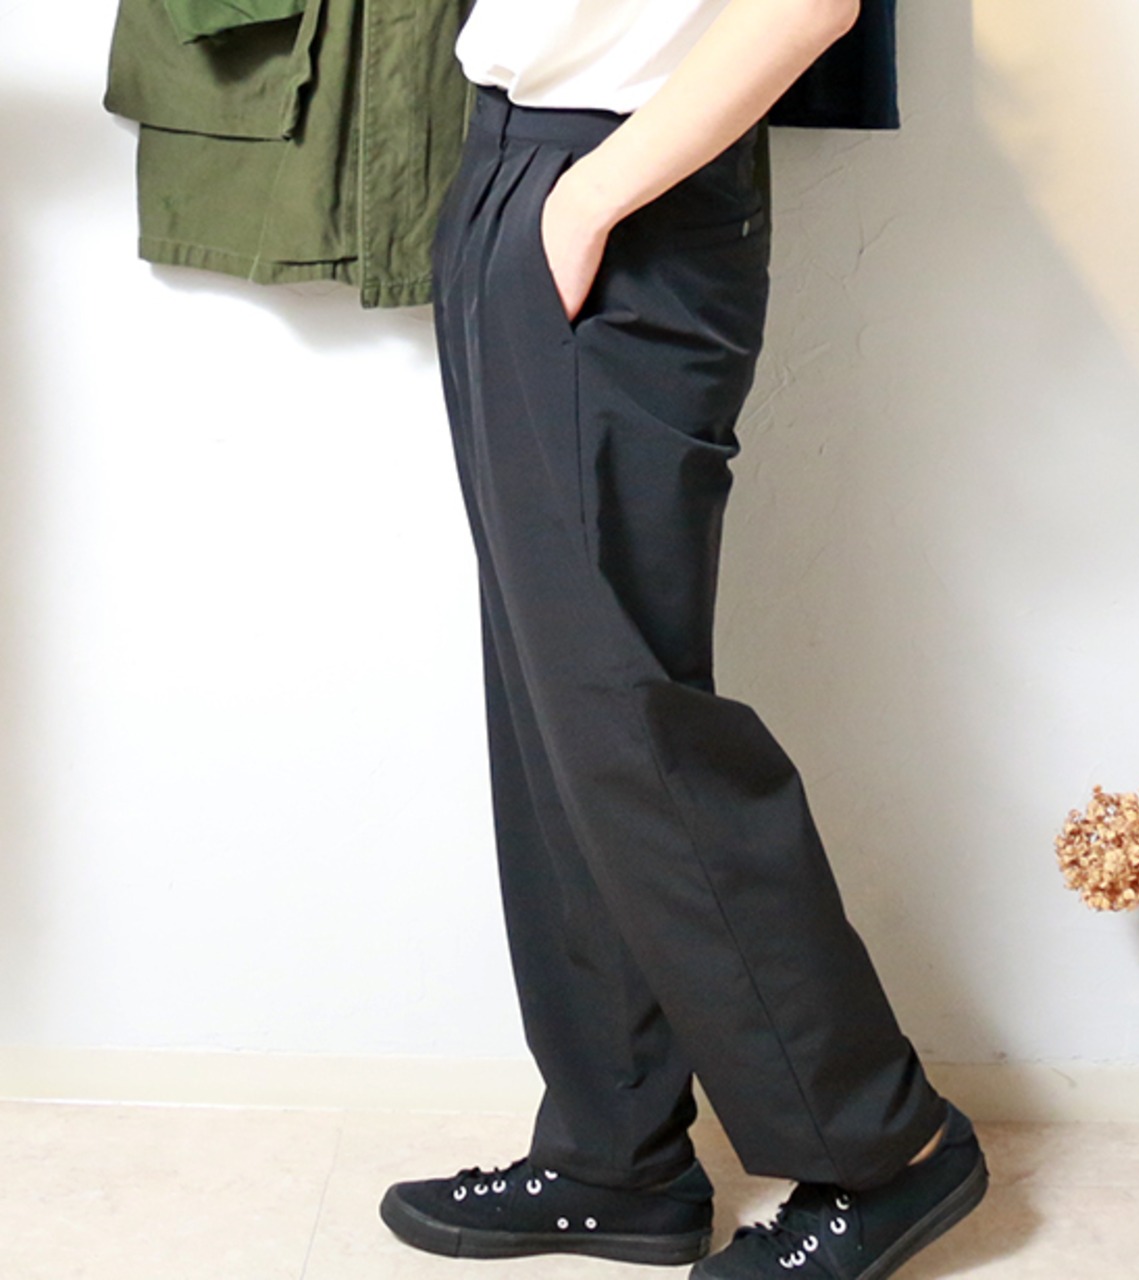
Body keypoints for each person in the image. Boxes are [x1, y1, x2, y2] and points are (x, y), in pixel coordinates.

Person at [378, 1, 990, 1276]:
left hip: (621, 189)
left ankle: (886, 1146)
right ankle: (616, 1152)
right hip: (518, 162)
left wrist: (589, 198)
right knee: (557, 717)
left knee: (629, 724)